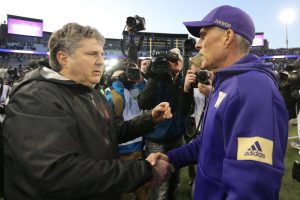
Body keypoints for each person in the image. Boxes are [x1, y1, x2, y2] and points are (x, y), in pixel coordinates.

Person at [2, 23, 174, 200]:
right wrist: (143, 171)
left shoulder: (89, 91)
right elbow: (56, 173)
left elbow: (111, 132)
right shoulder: (36, 97)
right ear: (63, 58)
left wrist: (149, 119)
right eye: (92, 54)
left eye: (101, 53)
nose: (100, 60)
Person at [148, 5, 289, 200]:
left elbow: (251, 189)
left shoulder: (253, 89)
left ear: (227, 37)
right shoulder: (227, 84)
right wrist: (172, 158)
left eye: (204, 35)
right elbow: (210, 142)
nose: (198, 44)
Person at [138, 48, 188, 200]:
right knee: (161, 188)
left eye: (178, 58)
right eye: (171, 59)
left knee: (175, 183)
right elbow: (143, 102)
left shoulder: (184, 80)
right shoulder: (157, 79)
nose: (176, 62)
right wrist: (154, 76)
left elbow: (185, 107)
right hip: (157, 141)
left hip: (177, 139)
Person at [105, 66, 148, 200]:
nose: (131, 75)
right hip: (122, 147)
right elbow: (116, 103)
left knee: (142, 186)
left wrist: (141, 77)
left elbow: (148, 92)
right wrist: (119, 82)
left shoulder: (139, 88)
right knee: (123, 185)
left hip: (141, 144)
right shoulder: (110, 91)